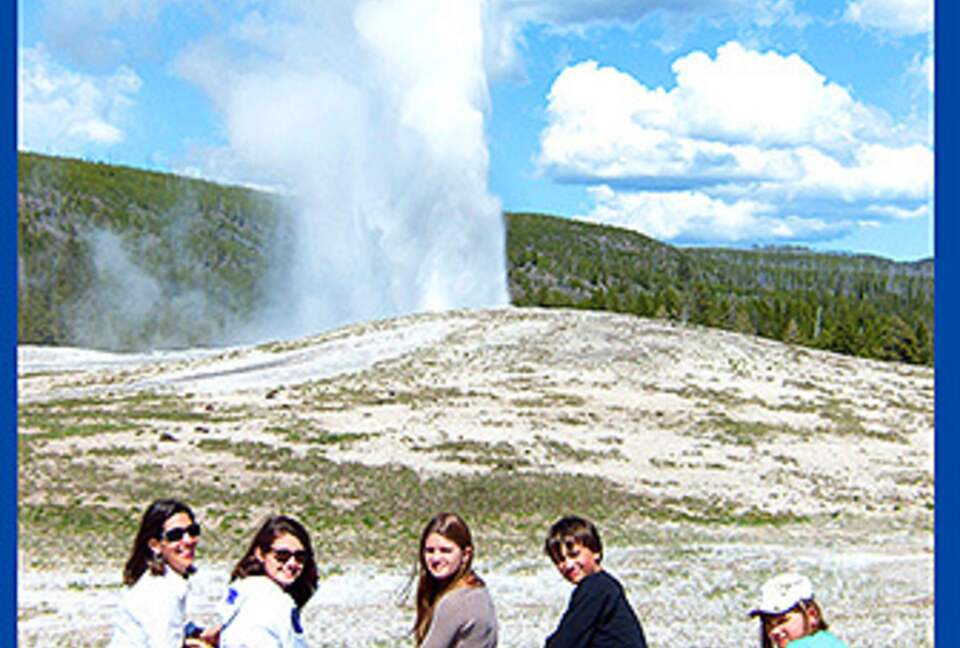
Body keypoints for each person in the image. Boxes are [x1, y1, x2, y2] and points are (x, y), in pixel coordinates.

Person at [109, 498, 205, 648]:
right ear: (155, 545)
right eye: (175, 535)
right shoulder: (160, 592)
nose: (188, 540)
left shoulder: (159, 581)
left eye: (192, 531)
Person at [214, 515, 319, 648]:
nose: (292, 563)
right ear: (261, 554)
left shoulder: (241, 589)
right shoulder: (272, 599)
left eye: (300, 557)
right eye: (282, 555)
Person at [543, 515, 647, 648]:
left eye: (574, 554)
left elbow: (565, 642)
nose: (568, 565)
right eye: (559, 560)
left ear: (595, 551)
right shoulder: (604, 585)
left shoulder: (595, 588)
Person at [413, 512, 498, 648]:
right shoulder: (478, 590)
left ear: (465, 554)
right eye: (430, 551)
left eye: (445, 551)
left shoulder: (455, 602)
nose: (436, 558)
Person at [748, 572, 848, 648]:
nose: (774, 631)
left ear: (812, 615)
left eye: (782, 621)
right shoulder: (831, 642)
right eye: (768, 624)